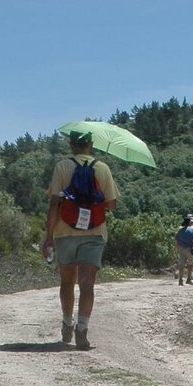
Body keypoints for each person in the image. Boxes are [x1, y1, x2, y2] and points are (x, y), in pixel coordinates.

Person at [43, 130, 119, 349]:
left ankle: (67, 323)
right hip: (94, 232)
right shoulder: (102, 168)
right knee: (87, 284)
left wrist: (48, 237)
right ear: (91, 144)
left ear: (71, 145)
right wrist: (94, 203)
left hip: (64, 232)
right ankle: (82, 329)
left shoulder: (62, 166)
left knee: (67, 281)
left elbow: (54, 203)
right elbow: (112, 205)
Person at [176, 213, 193, 284]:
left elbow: (176, 240)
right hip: (189, 249)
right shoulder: (192, 230)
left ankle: (180, 279)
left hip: (181, 249)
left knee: (181, 265)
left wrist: (177, 249)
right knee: (190, 264)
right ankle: (188, 278)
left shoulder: (180, 230)